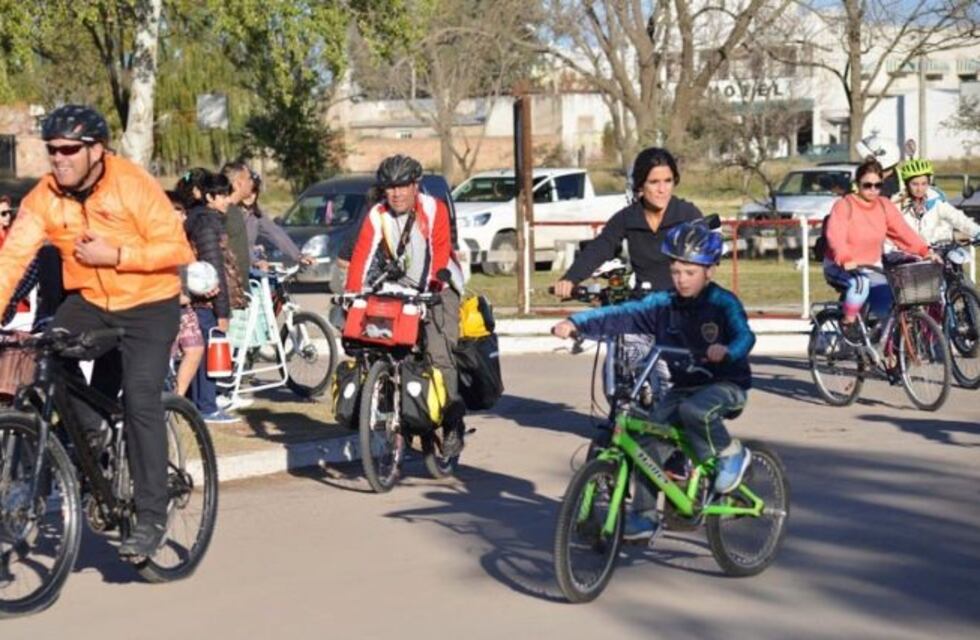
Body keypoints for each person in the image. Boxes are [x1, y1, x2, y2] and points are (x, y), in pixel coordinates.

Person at [0, 104, 194, 557]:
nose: (59, 158)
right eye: (52, 150)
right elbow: (11, 261)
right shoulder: (44, 197)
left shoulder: (132, 184)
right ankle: (97, 431)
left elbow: (177, 247)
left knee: (141, 394)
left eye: (69, 149)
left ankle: (150, 517)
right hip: (90, 302)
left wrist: (119, 255)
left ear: (97, 150)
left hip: (150, 303)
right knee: (44, 355)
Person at [552, 219, 756, 541]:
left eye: (690, 273)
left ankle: (730, 453)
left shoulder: (722, 303)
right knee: (645, 442)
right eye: (676, 272)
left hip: (725, 386)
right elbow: (622, 315)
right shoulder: (664, 305)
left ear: (709, 271)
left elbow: (745, 336)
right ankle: (645, 517)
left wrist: (728, 350)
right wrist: (576, 323)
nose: (682, 280)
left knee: (694, 412)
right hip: (684, 388)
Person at [345, 154, 466, 455]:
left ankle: (453, 425)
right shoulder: (378, 214)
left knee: (440, 353)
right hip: (399, 284)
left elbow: (439, 252)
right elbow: (361, 255)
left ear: (416, 185)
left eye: (402, 186)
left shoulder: (432, 208)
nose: (396, 193)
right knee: (378, 342)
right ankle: (394, 407)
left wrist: (431, 291)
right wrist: (352, 294)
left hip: (440, 283)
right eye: (390, 187)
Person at [553, 147, 703, 297]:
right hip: (642, 306)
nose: (662, 189)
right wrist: (570, 278)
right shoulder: (627, 218)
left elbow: (705, 264)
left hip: (683, 307)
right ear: (640, 185)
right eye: (654, 182)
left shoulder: (687, 215)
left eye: (668, 181)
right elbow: (599, 248)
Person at [822, 159, 935, 342]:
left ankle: (890, 355)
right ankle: (848, 323)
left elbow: (902, 232)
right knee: (860, 283)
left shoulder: (884, 205)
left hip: (871, 266)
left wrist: (924, 251)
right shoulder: (845, 205)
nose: (873, 190)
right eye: (867, 185)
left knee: (895, 296)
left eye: (878, 185)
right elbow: (836, 236)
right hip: (841, 266)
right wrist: (845, 258)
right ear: (857, 184)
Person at [183, 171, 244, 424]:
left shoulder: (200, 219)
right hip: (205, 299)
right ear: (209, 197)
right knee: (207, 350)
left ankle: (200, 403)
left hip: (198, 298)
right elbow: (214, 270)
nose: (227, 201)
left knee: (199, 351)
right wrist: (223, 311)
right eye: (222, 196)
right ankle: (206, 407)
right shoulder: (207, 225)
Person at [166, 191, 206, 398]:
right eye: (176, 212)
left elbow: (192, 270)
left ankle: (177, 398)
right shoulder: (158, 241)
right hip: (164, 309)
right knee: (164, 358)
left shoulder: (183, 240)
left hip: (185, 306)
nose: (182, 217)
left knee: (195, 348)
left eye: (183, 212)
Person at [893, 158, 980, 245]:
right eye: (914, 184)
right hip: (909, 254)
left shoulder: (934, 199)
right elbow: (915, 237)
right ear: (906, 184)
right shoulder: (897, 206)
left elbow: (956, 217)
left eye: (924, 183)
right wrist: (951, 236)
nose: (920, 189)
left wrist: (976, 231)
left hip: (938, 251)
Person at [240, 169, 314, 270]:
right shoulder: (231, 214)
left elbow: (275, 232)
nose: (251, 196)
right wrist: (254, 260)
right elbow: (236, 244)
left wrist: (298, 256)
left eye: (255, 191)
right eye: (249, 191)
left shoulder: (256, 214)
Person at [221, 161, 255, 292]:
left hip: (241, 285)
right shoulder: (224, 212)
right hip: (231, 288)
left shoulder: (235, 210)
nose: (251, 183)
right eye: (248, 179)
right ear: (237, 183)